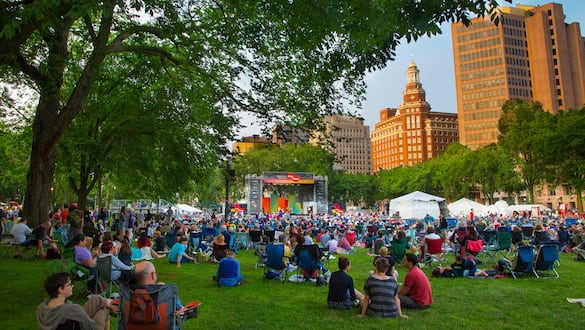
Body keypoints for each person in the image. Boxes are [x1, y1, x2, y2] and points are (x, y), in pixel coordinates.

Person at [36, 272, 112, 330]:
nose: (73, 286)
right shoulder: (72, 310)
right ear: (60, 289)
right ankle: (110, 304)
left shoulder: (41, 308)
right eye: (70, 284)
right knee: (103, 309)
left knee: (97, 301)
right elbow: (91, 328)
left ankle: (107, 302)